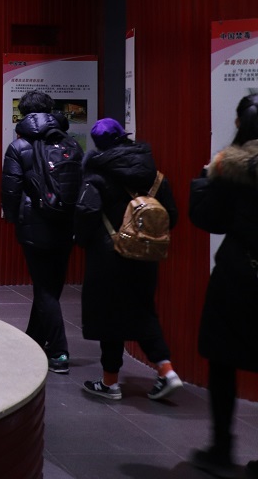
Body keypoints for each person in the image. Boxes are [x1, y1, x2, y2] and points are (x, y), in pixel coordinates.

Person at [76, 117, 181, 402]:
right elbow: (171, 216)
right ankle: (166, 370)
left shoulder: (97, 175)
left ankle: (110, 383)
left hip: (108, 255)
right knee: (143, 311)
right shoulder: (153, 174)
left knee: (109, 316)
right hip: (145, 254)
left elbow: (86, 212)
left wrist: (83, 240)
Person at [188, 93, 258, 478]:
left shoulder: (229, 168)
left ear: (240, 124)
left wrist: (204, 180)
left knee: (223, 361)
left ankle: (220, 448)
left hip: (238, 277)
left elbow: (208, 218)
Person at [1, 90, 82, 374]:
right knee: (50, 286)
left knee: (45, 289)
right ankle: (33, 339)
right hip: (66, 223)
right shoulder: (70, 143)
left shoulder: (19, 146)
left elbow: (11, 189)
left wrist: (13, 219)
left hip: (34, 224)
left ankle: (59, 352)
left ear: (24, 113)